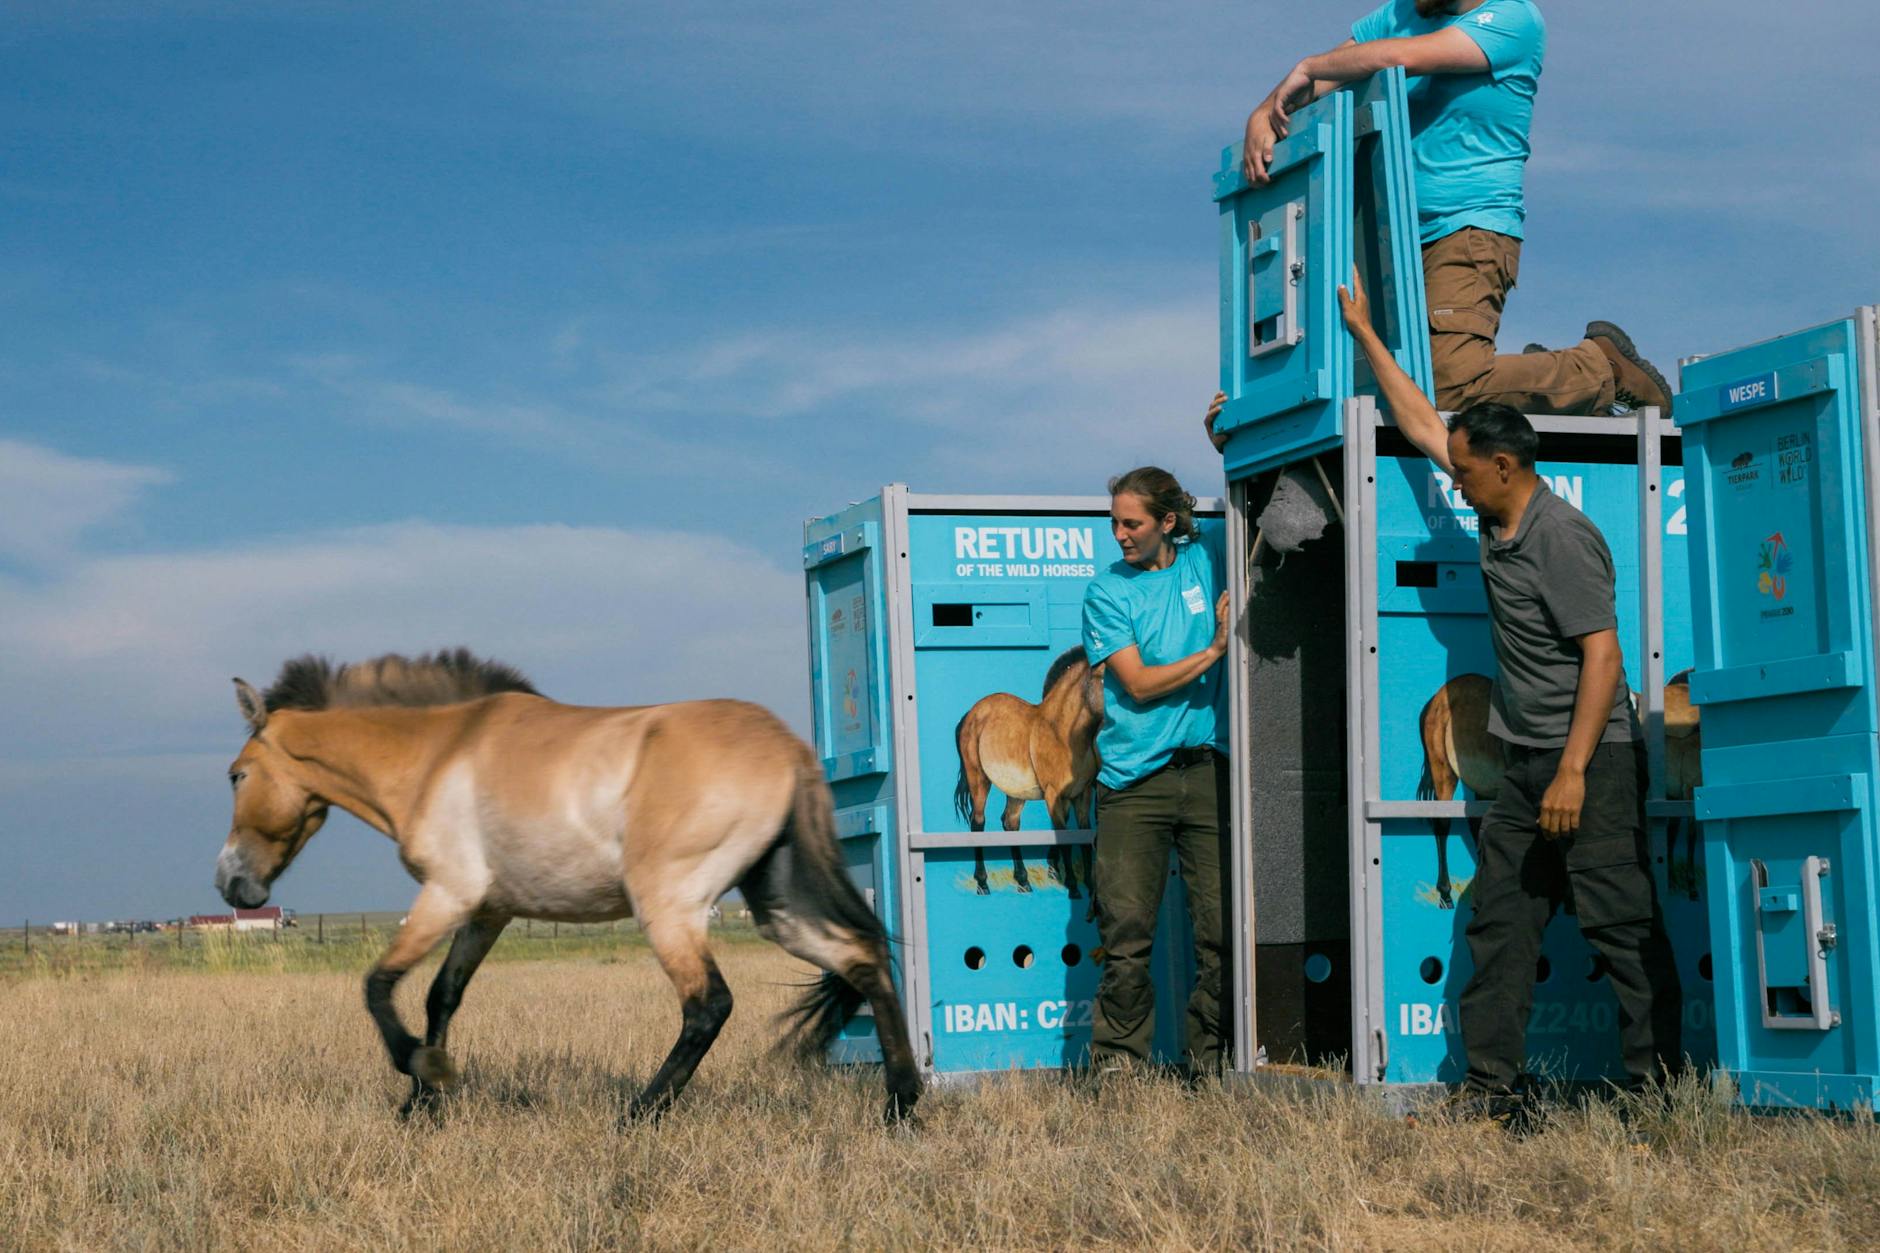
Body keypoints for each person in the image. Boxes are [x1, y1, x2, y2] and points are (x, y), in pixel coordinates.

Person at [1338, 271, 1682, 1122]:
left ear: (1504, 466)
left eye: (1464, 472)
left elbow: (1602, 658)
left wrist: (1570, 772)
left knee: (1619, 924)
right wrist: (1363, 333)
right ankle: (1493, 1092)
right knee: (1499, 921)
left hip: (1590, 763)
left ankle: (1659, 1097)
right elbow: (1424, 421)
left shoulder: (1562, 536)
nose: (1452, 482)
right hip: (1529, 764)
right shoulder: (1497, 516)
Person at [1234, 0, 1673, 420]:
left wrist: (1308, 67)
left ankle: (1601, 369)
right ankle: (1539, 377)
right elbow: (1327, 76)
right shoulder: (1400, 13)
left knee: (1446, 384)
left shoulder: (1513, 18)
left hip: (1469, 229)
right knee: (1383, 383)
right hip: (1392, 237)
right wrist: (1264, 112)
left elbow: (1395, 58)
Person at [1080, 468, 1233, 1076]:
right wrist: (1213, 653)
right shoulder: (1106, 592)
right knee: (1127, 939)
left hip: (1207, 776)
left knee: (1222, 933)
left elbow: (1259, 502)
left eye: (1131, 523)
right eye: (1114, 521)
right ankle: (1119, 1070)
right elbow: (1139, 686)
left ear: (1167, 523)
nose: (1118, 534)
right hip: (1131, 784)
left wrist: (1226, 440)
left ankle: (1212, 1065)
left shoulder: (1206, 559)